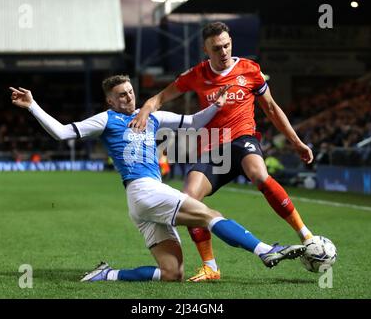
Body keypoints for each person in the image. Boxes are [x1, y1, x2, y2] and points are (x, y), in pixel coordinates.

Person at [9, 75, 306, 282]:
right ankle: (265, 251)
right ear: (110, 100)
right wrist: (33, 105)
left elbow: (192, 122)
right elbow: (62, 132)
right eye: (120, 95)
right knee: (210, 215)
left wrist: (216, 105)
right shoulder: (106, 119)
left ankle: (107, 275)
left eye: (130, 91)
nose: (128, 97)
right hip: (143, 191)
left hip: (145, 199)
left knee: (172, 274)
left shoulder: (151, 116)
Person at [129, 22, 315, 282]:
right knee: (189, 199)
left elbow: (271, 108)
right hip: (212, 146)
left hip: (242, 139)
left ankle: (306, 235)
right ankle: (210, 267)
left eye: (227, 45)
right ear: (206, 50)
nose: (224, 51)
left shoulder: (250, 70)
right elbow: (158, 99)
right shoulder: (196, 74)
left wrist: (296, 141)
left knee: (259, 175)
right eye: (217, 48)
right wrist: (145, 113)